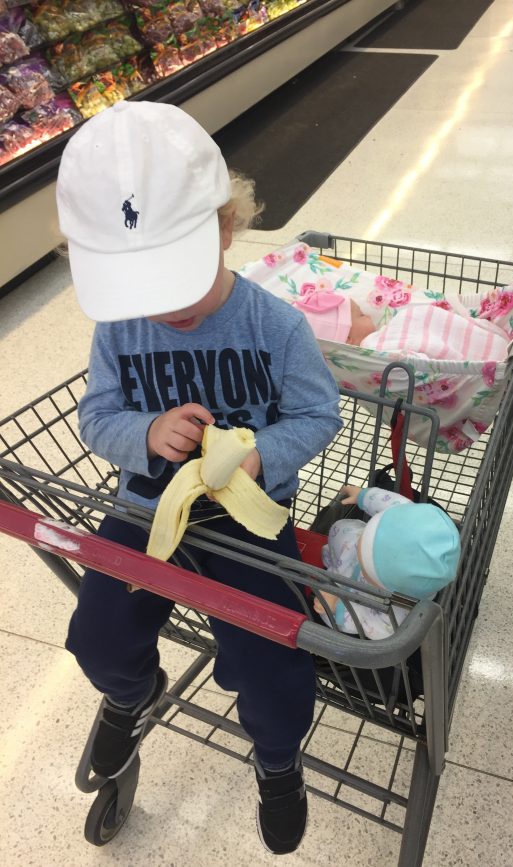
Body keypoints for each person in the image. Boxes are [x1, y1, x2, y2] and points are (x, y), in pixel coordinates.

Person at [55, 100, 342, 856]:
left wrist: (260, 457)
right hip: (145, 514)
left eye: (171, 279)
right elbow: (95, 419)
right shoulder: (120, 326)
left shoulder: (275, 327)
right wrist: (147, 433)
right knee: (96, 633)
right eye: (139, 286)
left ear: (225, 226)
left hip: (247, 524)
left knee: (272, 665)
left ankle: (278, 760)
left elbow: (319, 415)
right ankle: (132, 690)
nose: (162, 307)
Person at [314, 484, 460, 640]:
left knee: (333, 619)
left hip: (357, 596)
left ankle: (336, 573)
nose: (359, 549)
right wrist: (363, 496)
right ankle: (344, 554)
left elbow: (372, 627)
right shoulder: (405, 516)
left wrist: (337, 608)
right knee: (343, 529)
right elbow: (391, 502)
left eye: (366, 568)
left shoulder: (396, 609)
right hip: (353, 552)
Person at [293, 288, 511, 361]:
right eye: (360, 316)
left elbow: (427, 319)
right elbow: (413, 355)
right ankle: (487, 347)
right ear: (347, 340)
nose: (368, 315)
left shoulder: (386, 331)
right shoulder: (373, 349)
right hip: (490, 354)